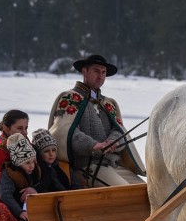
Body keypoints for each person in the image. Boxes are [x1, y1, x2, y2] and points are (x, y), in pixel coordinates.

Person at [48, 54, 145, 187]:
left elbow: (118, 130)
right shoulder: (70, 98)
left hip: (112, 164)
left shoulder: (108, 103)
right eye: (96, 71)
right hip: (86, 166)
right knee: (127, 191)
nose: (100, 76)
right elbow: (65, 133)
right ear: (84, 71)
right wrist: (93, 145)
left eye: (103, 72)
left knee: (147, 190)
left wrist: (112, 141)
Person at [0, 133, 40, 221]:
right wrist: (19, 212)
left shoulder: (33, 171)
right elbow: (5, 195)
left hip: (34, 208)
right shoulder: (9, 173)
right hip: (19, 212)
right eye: (27, 163)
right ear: (18, 163)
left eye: (33, 162)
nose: (32, 166)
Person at [31, 128, 72, 193]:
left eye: (53, 150)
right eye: (46, 151)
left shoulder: (63, 166)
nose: (51, 154)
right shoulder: (35, 171)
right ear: (39, 154)